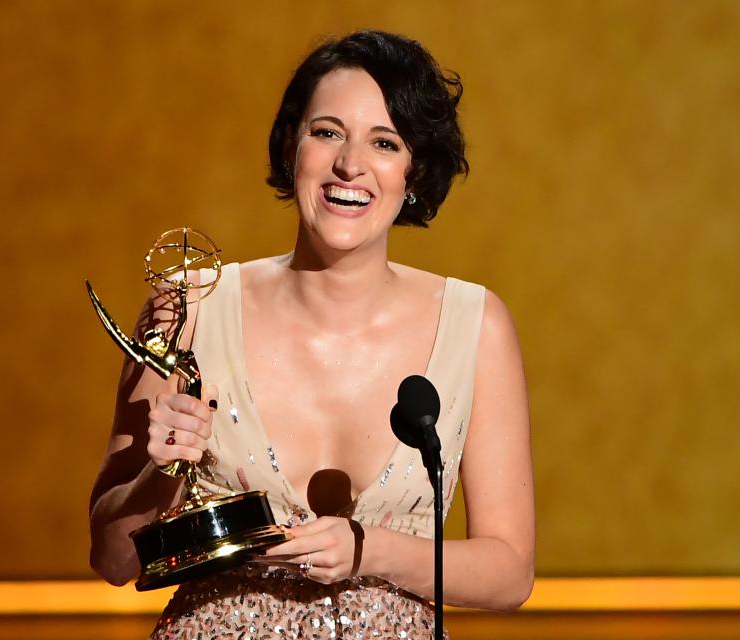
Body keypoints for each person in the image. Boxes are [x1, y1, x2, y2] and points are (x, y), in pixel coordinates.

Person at [89, 30, 534, 638]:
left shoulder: (476, 324)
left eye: (385, 142)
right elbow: (112, 559)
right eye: (327, 132)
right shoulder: (189, 309)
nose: (351, 164)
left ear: (414, 169)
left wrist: (367, 550)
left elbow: (509, 572)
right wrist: (162, 472)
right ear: (291, 146)